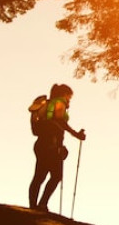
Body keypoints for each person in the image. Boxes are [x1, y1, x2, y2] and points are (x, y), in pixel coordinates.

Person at [28, 83, 86, 211]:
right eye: (69, 96)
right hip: (51, 144)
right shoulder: (59, 102)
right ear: (64, 94)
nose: (69, 100)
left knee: (39, 176)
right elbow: (60, 121)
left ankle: (33, 205)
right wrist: (76, 134)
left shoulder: (47, 104)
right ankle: (42, 204)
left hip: (41, 143)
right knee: (56, 176)